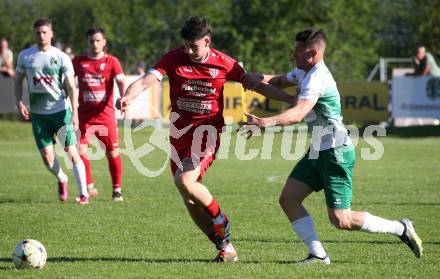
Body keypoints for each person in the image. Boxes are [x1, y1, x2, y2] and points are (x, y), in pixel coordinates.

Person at [241, 28, 423, 264]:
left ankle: (400, 228)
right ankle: (318, 255)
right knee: (288, 199)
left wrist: (264, 122)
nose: (293, 55)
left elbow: (298, 113)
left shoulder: (317, 78)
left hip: (336, 153)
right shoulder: (302, 71)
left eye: (297, 51)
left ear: (313, 53)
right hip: (319, 150)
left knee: (342, 220)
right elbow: (277, 80)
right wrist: (256, 77)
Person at [118, 16, 293, 262]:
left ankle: (221, 219)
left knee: (185, 181)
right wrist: (128, 96)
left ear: (207, 41)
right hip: (179, 134)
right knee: (189, 198)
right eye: (186, 45)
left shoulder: (225, 63)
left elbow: (257, 85)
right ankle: (225, 246)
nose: (189, 51)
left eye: (194, 46)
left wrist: (294, 102)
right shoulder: (173, 57)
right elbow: (146, 80)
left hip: (206, 132)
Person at [14, 19, 89, 204]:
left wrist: (75, 113)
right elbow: (17, 81)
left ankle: (83, 194)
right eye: (38, 33)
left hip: (61, 112)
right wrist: (19, 103)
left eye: (45, 32)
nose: (41, 35)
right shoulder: (25, 56)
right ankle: (62, 178)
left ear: (51, 33)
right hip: (38, 116)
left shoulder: (61, 57)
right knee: (48, 158)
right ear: (35, 34)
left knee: (71, 152)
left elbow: (71, 87)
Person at [72, 28, 127, 202]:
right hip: (84, 117)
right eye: (91, 41)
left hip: (106, 117)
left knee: (112, 154)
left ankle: (117, 190)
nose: (94, 44)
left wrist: (124, 99)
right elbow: (66, 79)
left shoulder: (111, 61)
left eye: (97, 40)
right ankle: (88, 186)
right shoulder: (78, 61)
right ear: (87, 42)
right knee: (80, 151)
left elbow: (121, 80)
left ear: (104, 42)